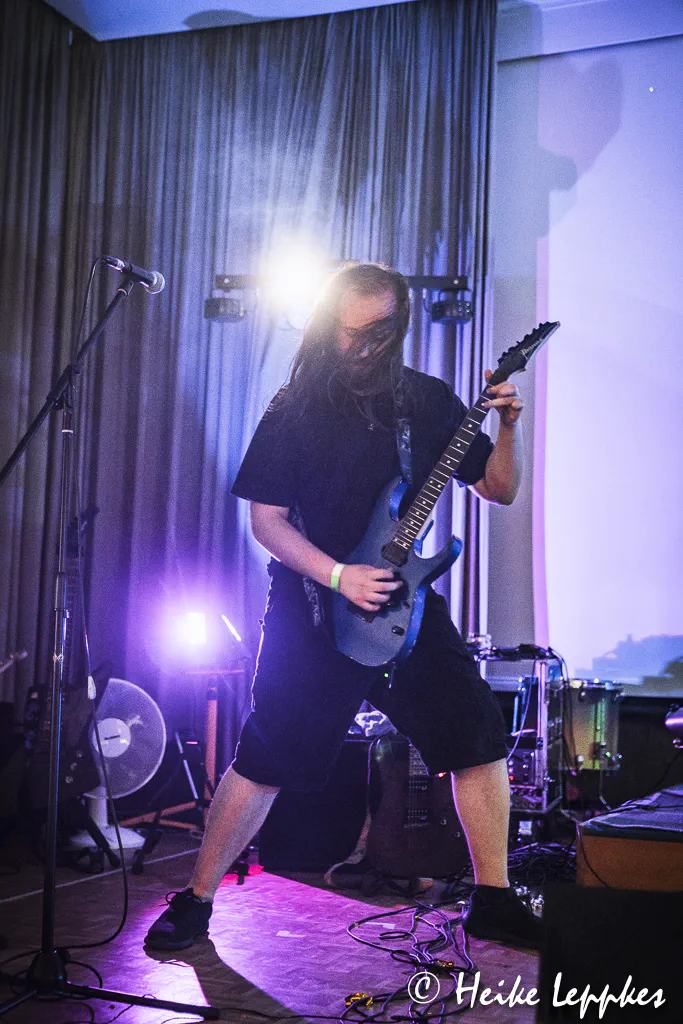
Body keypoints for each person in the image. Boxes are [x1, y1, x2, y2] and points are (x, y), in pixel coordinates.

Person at [145, 263, 541, 952]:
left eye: (372, 332)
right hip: (309, 606)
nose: (355, 345)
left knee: (477, 739)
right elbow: (266, 521)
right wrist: (337, 575)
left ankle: (493, 898)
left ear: (397, 327)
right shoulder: (294, 408)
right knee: (264, 755)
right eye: (344, 329)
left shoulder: (425, 401)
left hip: (402, 605)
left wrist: (507, 426)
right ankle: (198, 899)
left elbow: (498, 489)